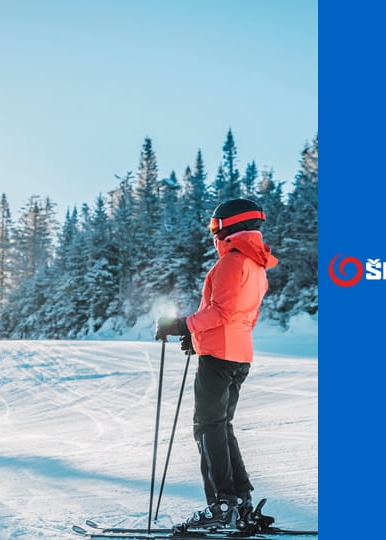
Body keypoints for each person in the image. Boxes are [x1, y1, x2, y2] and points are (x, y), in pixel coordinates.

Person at [155, 198, 278, 532]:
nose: (214, 232)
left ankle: (222, 506)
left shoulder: (231, 263)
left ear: (232, 226)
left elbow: (221, 312)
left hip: (220, 357)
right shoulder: (257, 266)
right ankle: (241, 503)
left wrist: (182, 325)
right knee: (221, 427)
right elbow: (241, 318)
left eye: (215, 226)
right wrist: (196, 339)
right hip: (238, 355)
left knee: (207, 428)